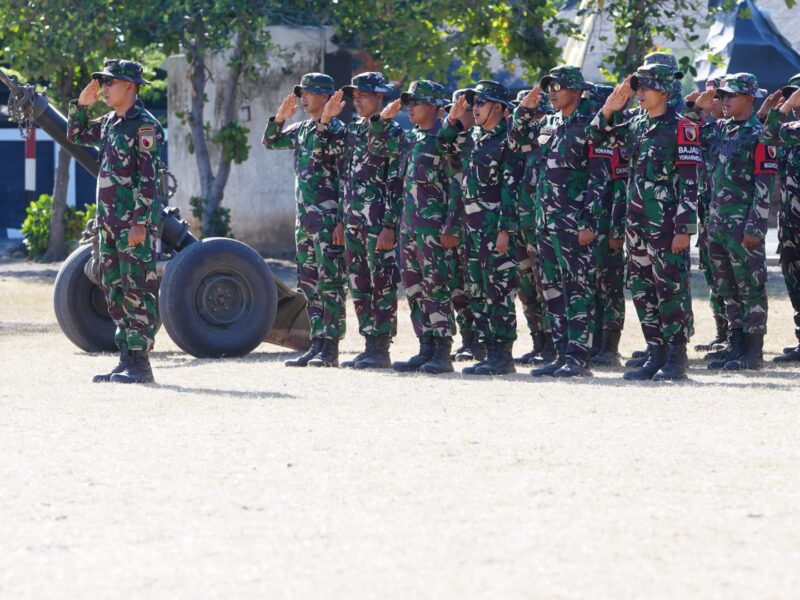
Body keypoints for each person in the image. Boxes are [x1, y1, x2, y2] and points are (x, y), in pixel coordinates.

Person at [590, 64, 701, 380]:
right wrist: (610, 108)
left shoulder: (682, 128)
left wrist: (685, 229)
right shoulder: (635, 125)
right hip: (636, 225)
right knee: (641, 289)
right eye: (637, 87)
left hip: (667, 227)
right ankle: (655, 354)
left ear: (664, 92)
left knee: (671, 290)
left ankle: (676, 360)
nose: (638, 93)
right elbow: (595, 136)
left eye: (645, 87)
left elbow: (691, 183)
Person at [68, 59, 164, 384]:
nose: (105, 88)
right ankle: (126, 358)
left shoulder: (145, 126)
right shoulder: (110, 122)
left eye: (111, 82)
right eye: (103, 82)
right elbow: (77, 134)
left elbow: (150, 179)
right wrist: (81, 106)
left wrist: (140, 222)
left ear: (131, 87)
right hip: (108, 225)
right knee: (114, 289)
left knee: (137, 289)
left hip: (132, 226)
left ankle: (141, 365)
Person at [512, 66, 598, 378]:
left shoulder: (590, 123)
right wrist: (526, 108)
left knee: (576, 288)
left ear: (576, 90)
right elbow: (516, 138)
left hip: (573, 222)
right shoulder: (547, 123)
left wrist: (589, 220)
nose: (552, 92)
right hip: (545, 221)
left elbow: (597, 177)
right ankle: (561, 354)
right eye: (549, 87)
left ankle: (578, 357)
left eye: (558, 87)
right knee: (551, 289)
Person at [315, 72, 402, 369]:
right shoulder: (351, 130)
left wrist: (390, 225)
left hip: (378, 223)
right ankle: (368, 343)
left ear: (380, 97)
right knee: (359, 283)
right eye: (355, 96)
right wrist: (341, 219)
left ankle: (381, 347)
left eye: (363, 95)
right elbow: (341, 173)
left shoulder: (391, 132)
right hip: (353, 221)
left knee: (382, 283)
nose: (357, 101)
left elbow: (395, 181)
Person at [369, 80, 457, 373]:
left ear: (433, 106)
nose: (410, 107)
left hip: (434, 229)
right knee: (415, 289)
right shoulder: (412, 138)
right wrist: (383, 119)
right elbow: (377, 145)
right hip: (409, 228)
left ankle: (443, 352)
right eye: (408, 101)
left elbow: (457, 187)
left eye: (416, 102)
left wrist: (451, 226)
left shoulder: (445, 139)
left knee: (437, 287)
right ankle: (426, 347)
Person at [262, 73, 346, 367]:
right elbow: (271, 142)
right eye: (302, 92)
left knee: (330, 283)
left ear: (325, 97)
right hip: (306, 221)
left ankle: (331, 347)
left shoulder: (337, 131)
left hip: (328, 220)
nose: (303, 97)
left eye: (309, 92)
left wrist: (341, 222)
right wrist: (280, 118)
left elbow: (344, 176)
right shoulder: (302, 129)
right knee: (309, 283)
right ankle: (317, 342)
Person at [692, 73, 776, 370]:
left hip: (743, 226)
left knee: (750, 286)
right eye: (722, 96)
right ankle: (736, 344)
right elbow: (689, 134)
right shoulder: (720, 131)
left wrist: (755, 226)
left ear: (749, 100)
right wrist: (697, 109)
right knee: (727, 287)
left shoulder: (759, 134)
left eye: (731, 96)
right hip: (717, 224)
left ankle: (753, 351)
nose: (724, 101)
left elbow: (764, 183)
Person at [439, 81, 519, 375]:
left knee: (498, 292)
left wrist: (505, 231)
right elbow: (445, 144)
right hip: (472, 230)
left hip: (494, 230)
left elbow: (511, 188)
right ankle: (488, 351)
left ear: (497, 107)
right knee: (478, 291)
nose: (475, 108)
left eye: (481, 103)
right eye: (473, 103)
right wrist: (453, 120)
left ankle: (503, 355)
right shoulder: (474, 137)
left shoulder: (507, 140)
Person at [507, 89, 556, 366]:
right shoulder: (522, 143)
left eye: (533, 113)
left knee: (545, 286)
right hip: (521, 223)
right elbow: (516, 134)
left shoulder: (549, 136)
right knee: (526, 289)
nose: (528, 119)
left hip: (542, 224)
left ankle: (552, 345)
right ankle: (538, 342)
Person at [443, 89, 485, 363]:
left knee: (479, 288)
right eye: (453, 108)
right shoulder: (459, 140)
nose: (459, 113)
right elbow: (442, 143)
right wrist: (451, 122)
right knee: (458, 287)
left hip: (480, 226)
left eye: (465, 109)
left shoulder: (483, 140)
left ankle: (483, 342)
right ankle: (469, 340)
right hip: (456, 224)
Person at [760, 77, 800, 362]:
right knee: (794, 279)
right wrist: (771, 111)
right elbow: (765, 136)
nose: (795, 100)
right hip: (790, 222)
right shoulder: (792, 130)